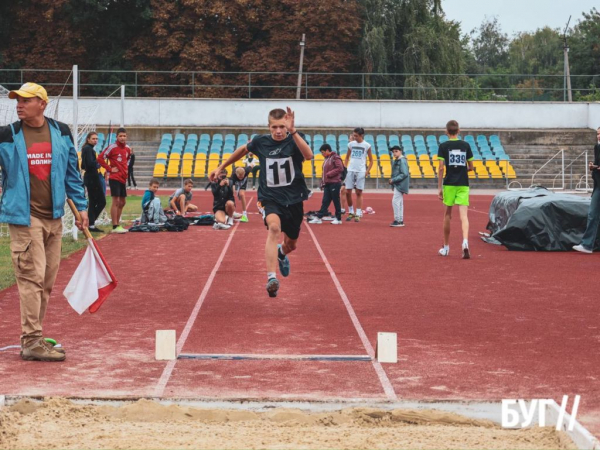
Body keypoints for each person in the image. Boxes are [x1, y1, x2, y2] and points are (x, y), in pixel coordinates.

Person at [0, 82, 88, 362]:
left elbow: (72, 174)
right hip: (25, 219)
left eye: (26, 100)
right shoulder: (6, 135)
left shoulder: (61, 132)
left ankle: (34, 338)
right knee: (31, 279)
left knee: (46, 282)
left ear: (42, 103)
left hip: (55, 219)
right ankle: (31, 340)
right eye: (17, 100)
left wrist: (81, 208)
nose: (19, 104)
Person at [209, 107, 313, 298]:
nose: (279, 131)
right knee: (274, 228)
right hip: (269, 197)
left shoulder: (296, 139)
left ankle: (282, 253)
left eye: (282, 126)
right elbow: (242, 150)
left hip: (294, 198)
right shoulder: (261, 142)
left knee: (291, 244)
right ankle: (271, 278)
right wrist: (221, 166)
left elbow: (309, 156)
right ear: (269, 126)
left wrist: (294, 131)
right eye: (275, 127)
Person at [437, 120, 474, 259]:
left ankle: (446, 247)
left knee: (447, 215)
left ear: (446, 132)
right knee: (464, 216)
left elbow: (441, 168)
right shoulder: (465, 145)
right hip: (463, 183)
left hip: (449, 183)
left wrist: (439, 187)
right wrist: (466, 169)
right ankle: (465, 242)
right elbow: (471, 166)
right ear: (459, 131)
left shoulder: (443, 146)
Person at [97, 127, 131, 233]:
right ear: (117, 137)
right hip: (114, 178)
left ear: (126, 137)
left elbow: (127, 160)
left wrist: (125, 171)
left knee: (123, 202)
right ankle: (115, 226)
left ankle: (118, 224)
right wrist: (109, 169)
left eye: (124, 136)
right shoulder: (112, 147)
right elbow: (100, 158)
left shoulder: (128, 149)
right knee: (116, 201)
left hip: (122, 178)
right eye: (120, 136)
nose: (122, 138)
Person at [573, 127, 600, 253]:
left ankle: (588, 244)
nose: (598, 136)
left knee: (593, 214)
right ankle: (588, 244)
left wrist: (596, 167)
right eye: (598, 133)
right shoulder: (597, 146)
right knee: (593, 214)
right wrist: (593, 167)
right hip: (598, 185)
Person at [308, 144, 344, 225]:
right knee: (325, 201)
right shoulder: (327, 159)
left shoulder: (335, 157)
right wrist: (322, 182)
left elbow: (340, 168)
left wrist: (329, 174)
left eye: (323, 152)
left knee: (335, 200)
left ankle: (338, 218)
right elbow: (324, 173)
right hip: (328, 183)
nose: (322, 154)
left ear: (328, 150)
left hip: (334, 183)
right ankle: (319, 217)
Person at [344, 127, 373, 222]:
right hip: (350, 170)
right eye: (353, 135)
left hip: (361, 171)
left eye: (356, 136)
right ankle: (351, 211)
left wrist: (367, 171)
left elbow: (371, 160)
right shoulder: (350, 144)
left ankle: (358, 213)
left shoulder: (367, 145)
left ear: (361, 135)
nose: (354, 137)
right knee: (348, 192)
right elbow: (347, 157)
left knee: (358, 192)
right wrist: (345, 168)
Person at [80, 131, 106, 233]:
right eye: (93, 139)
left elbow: (83, 165)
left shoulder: (87, 149)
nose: (95, 140)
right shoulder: (88, 149)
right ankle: (90, 222)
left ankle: (91, 225)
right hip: (92, 178)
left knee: (93, 202)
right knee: (101, 201)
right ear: (88, 139)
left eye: (96, 139)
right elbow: (90, 164)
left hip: (90, 177)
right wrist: (99, 161)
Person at [389, 145, 409, 227]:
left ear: (400, 151)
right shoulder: (398, 160)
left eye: (396, 151)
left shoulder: (401, 161)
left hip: (400, 184)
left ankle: (398, 220)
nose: (394, 153)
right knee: (399, 202)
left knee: (395, 202)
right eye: (393, 152)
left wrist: (393, 180)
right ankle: (400, 220)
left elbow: (404, 173)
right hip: (399, 184)